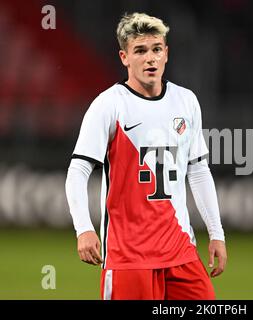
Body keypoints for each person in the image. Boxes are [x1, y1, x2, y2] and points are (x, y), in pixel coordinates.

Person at [65, 12, 227, 300]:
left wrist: (217, 232)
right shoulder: (109, 105)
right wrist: (83, 229)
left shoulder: (186, 101)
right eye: (140, 50)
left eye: (156, 49)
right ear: (124, 57)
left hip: (180, 252)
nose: (150, 58)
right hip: (129, 258)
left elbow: (199, 170)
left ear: (166, 54)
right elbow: (78, 170)